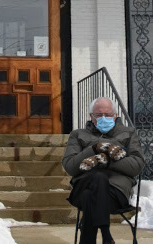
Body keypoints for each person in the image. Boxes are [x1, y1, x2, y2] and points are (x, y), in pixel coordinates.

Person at [62, 97, 145, 244]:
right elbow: (70, 166)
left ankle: (97, 237)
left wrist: (105, 161)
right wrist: (94, 148)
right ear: (91, 117)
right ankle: (106, 234)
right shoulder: (78, 135)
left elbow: (137, 165)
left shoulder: (128, 133)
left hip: (115, 192)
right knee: (97, 180)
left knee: (90, 195)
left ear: (115, 115)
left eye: (108, 114)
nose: (104, 118)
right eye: (99, 115)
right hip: (83, 186)